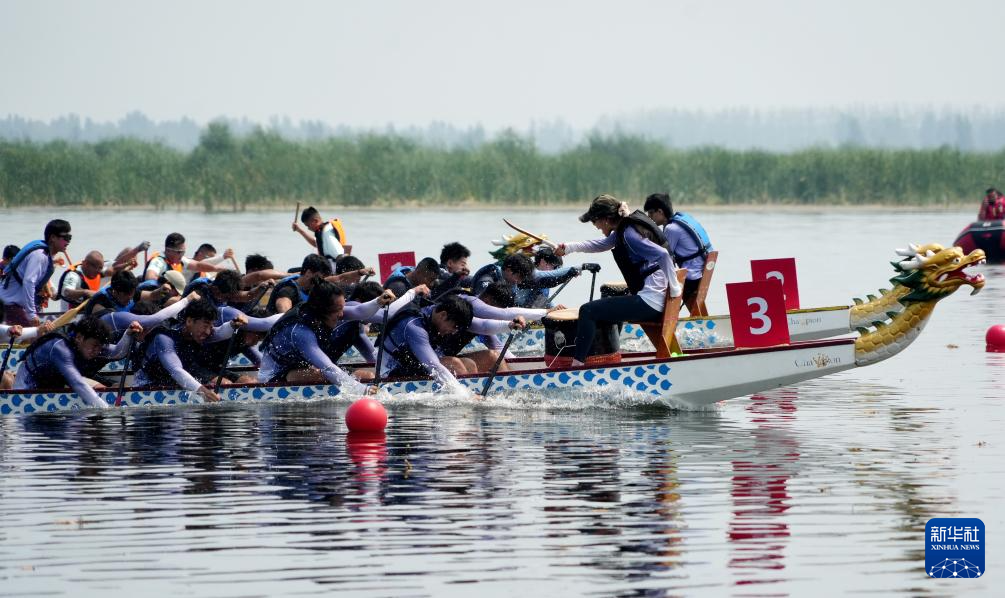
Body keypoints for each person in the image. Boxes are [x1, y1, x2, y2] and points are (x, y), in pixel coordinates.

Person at [557, 194, 681, 367]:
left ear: (606, 219)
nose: (596, 227)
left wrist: (675, 288)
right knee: (605, 305)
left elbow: (663, 255)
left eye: (595, 222)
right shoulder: (625, 228)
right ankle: (605, 357)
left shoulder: (629, 234)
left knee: (587, 311)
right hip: (656, 297)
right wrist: (570, 248)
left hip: (651, 301)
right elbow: (601, 244)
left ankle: (577, 367)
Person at [258, 281, 384, 390]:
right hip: (273, 378)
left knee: (368, 376)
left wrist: (378, 301)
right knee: (322, 374)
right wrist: (363, 391)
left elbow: (359, 311)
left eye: (343, 308)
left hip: (306, 368)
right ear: (322, 310)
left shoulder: (326, 312)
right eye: (338, 310)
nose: (342, 315)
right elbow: (328, 368)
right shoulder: (300, 332)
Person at [13, 316, 142, 409]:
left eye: (100, 346)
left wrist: (128, 334)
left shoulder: (89, 342)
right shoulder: (60, 348)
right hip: (28, 383)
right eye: (95, 346)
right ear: (79, 338)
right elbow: (77, 383)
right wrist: (106, 409)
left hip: (53, 382)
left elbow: (118, 353)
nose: (98, 351)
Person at [133, 298, 247, 402]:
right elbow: (175, 370)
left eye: (211, 326)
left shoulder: (197, 333)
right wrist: (204, 392)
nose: (208, 331)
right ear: (189, 321)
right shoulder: (164, 338)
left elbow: (220, 332)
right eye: (205, 325)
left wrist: (233, 324)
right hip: (147, 387)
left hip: (175, 382)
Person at [643, 192, 713, 310]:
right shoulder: (679, 220)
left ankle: (662, 320)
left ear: (660, 211)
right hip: (702, 271)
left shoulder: (671, 229)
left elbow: (664, 257)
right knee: (696, 310)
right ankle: (700, 318)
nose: (649, 217)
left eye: (650, 213)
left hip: (691, 277)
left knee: (655, 289)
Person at [0, 219, 72, 325]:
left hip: (14, 305)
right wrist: (31, 314)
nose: (68, 242)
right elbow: (29, 282)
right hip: (9, 304)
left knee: (35, 331)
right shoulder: (40, 255)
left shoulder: (45, 254)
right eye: (66, 238)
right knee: (33, 333)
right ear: (53, 237)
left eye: (70, 238)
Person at [144, 233, 233, 282]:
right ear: (168, 250)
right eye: (179, 252)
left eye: (183, 252)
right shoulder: (158, 261)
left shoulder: (181, 260)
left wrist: (217, 269)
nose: (181, 255)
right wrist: (164, 283)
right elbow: (150, 277)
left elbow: (198, 265)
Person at [266, 254, 333, 314]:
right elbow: (283, 309)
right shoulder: (288, 290)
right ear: (309, 273)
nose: (322, 283)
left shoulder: (312, 289)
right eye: (320, 279)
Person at [515, 248, 581, 308]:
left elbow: (543, 298)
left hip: (529, 312)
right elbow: (547, 282)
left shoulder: (545, 281)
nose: (556, 270)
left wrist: (555, 308)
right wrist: (567, 275)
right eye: (555, 267)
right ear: (543, 262)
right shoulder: (530, 273)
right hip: (516, 311)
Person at [470, 253, 535, 298]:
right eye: (519, 277)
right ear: (508, 270)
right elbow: (481, 307)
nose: (520, 282)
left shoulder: (509, 282)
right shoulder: (487, 281)